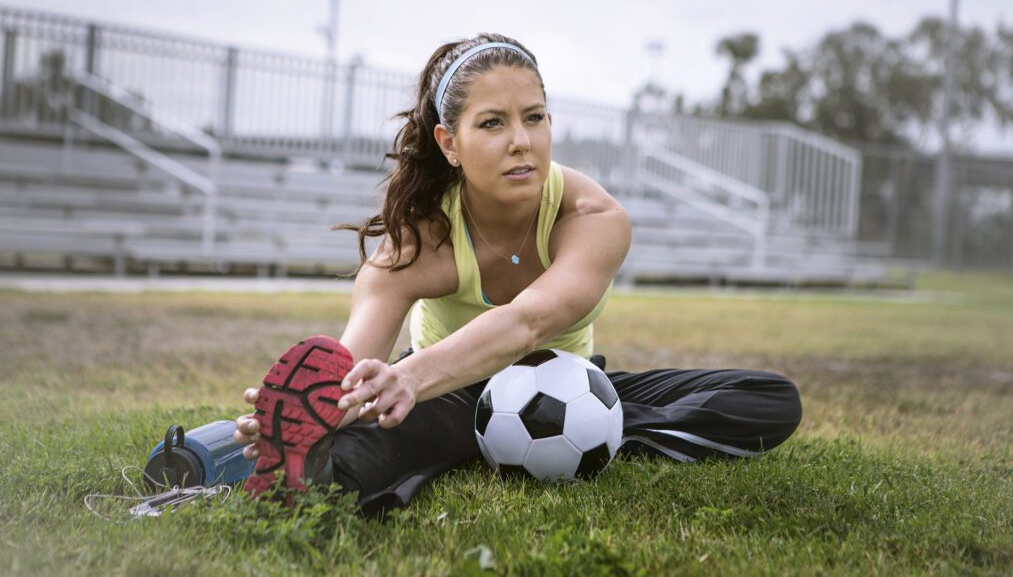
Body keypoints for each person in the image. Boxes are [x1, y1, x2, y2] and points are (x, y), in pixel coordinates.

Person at [233, 34, 802, 516]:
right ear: (449, 143)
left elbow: (529, 321)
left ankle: (593, 431)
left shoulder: (594, 217)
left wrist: (408, 379)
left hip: (572, 385)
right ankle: (298, 470)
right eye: (492, 124)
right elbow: (354, 358)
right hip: (445, 391)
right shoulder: (418, 239)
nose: (521, 141)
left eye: (534, 117)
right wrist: (326, 406)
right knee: (358, 457)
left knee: (768, 399)